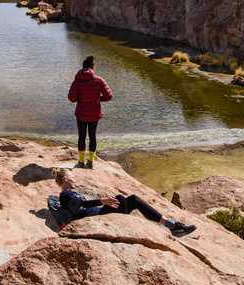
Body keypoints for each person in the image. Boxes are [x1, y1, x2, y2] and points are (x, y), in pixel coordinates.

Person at [52, 167, 196, 235]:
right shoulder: (65, 195)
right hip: (95, 218)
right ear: (65, 179)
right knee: (121, 198)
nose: (75, 180)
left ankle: (173, 226)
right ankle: (174, 227)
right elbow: (82, 204)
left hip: (100, 213)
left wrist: (104, 203)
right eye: (72, 178)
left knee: (133, 198)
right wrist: (104, 201)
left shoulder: (69, 194)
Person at [68, 55, 112, 169]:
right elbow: (109, 96)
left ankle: (81, 163)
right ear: (92, 67)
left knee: (81, 137)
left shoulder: (77, 80)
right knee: (93, 136)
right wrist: (97, 99)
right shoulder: (99, 80)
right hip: (94, 113)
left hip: (81, 113)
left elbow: (71, 98)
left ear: (83, 67)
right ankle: (90, 162)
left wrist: (80, 99)